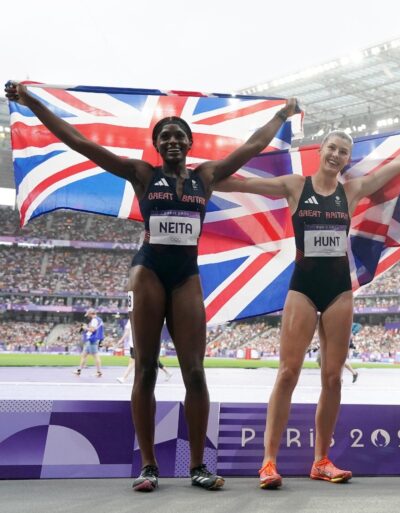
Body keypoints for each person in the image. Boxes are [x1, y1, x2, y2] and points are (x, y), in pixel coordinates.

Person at [5, 81, 299, 492]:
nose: (173, 140)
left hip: (186, 276)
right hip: (148, 271)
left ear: (190, 142)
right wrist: (32, 102)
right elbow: (79, 141)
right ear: (157, 146)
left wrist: (282, 115)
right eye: (165, 136)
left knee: (195, 371)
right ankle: (149, 466)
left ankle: (198, 465)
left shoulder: (207, 176)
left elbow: (252, 146)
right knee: (144, 369)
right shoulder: (141, 174)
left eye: (179, 135)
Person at [215, 124, 400, 489]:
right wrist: (201, 180)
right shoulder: (295, 186)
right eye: (332, 148)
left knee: (333, 377)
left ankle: (321, 460)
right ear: (321, 149)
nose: (336, 155)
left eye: (343, 152)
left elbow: (398, 165)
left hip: (339, 289)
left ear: (346, 159)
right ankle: (268, 462)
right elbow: (244, 185)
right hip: (303, 287)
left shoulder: (351, 190)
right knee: (288, 372)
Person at [117, 318, 173, 383]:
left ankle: (124, 378)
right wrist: (121, 340)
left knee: (133, 362)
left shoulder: (140, 318)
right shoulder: (131, 319)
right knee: (151, 360)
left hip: (138, 344)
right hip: (132, 344)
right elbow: (127, 332)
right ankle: (167, 372)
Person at [73, 309, 104, 377]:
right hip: (91, 339)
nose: (88, 316)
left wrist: (85, 327)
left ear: (90, 314)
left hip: (92, 340)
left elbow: (92, 330)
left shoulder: (95, 320)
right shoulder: (99, 319)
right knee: (84, 356)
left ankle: (99, 372)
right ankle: (79, 371)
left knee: (95, 356)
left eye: (88, 315)